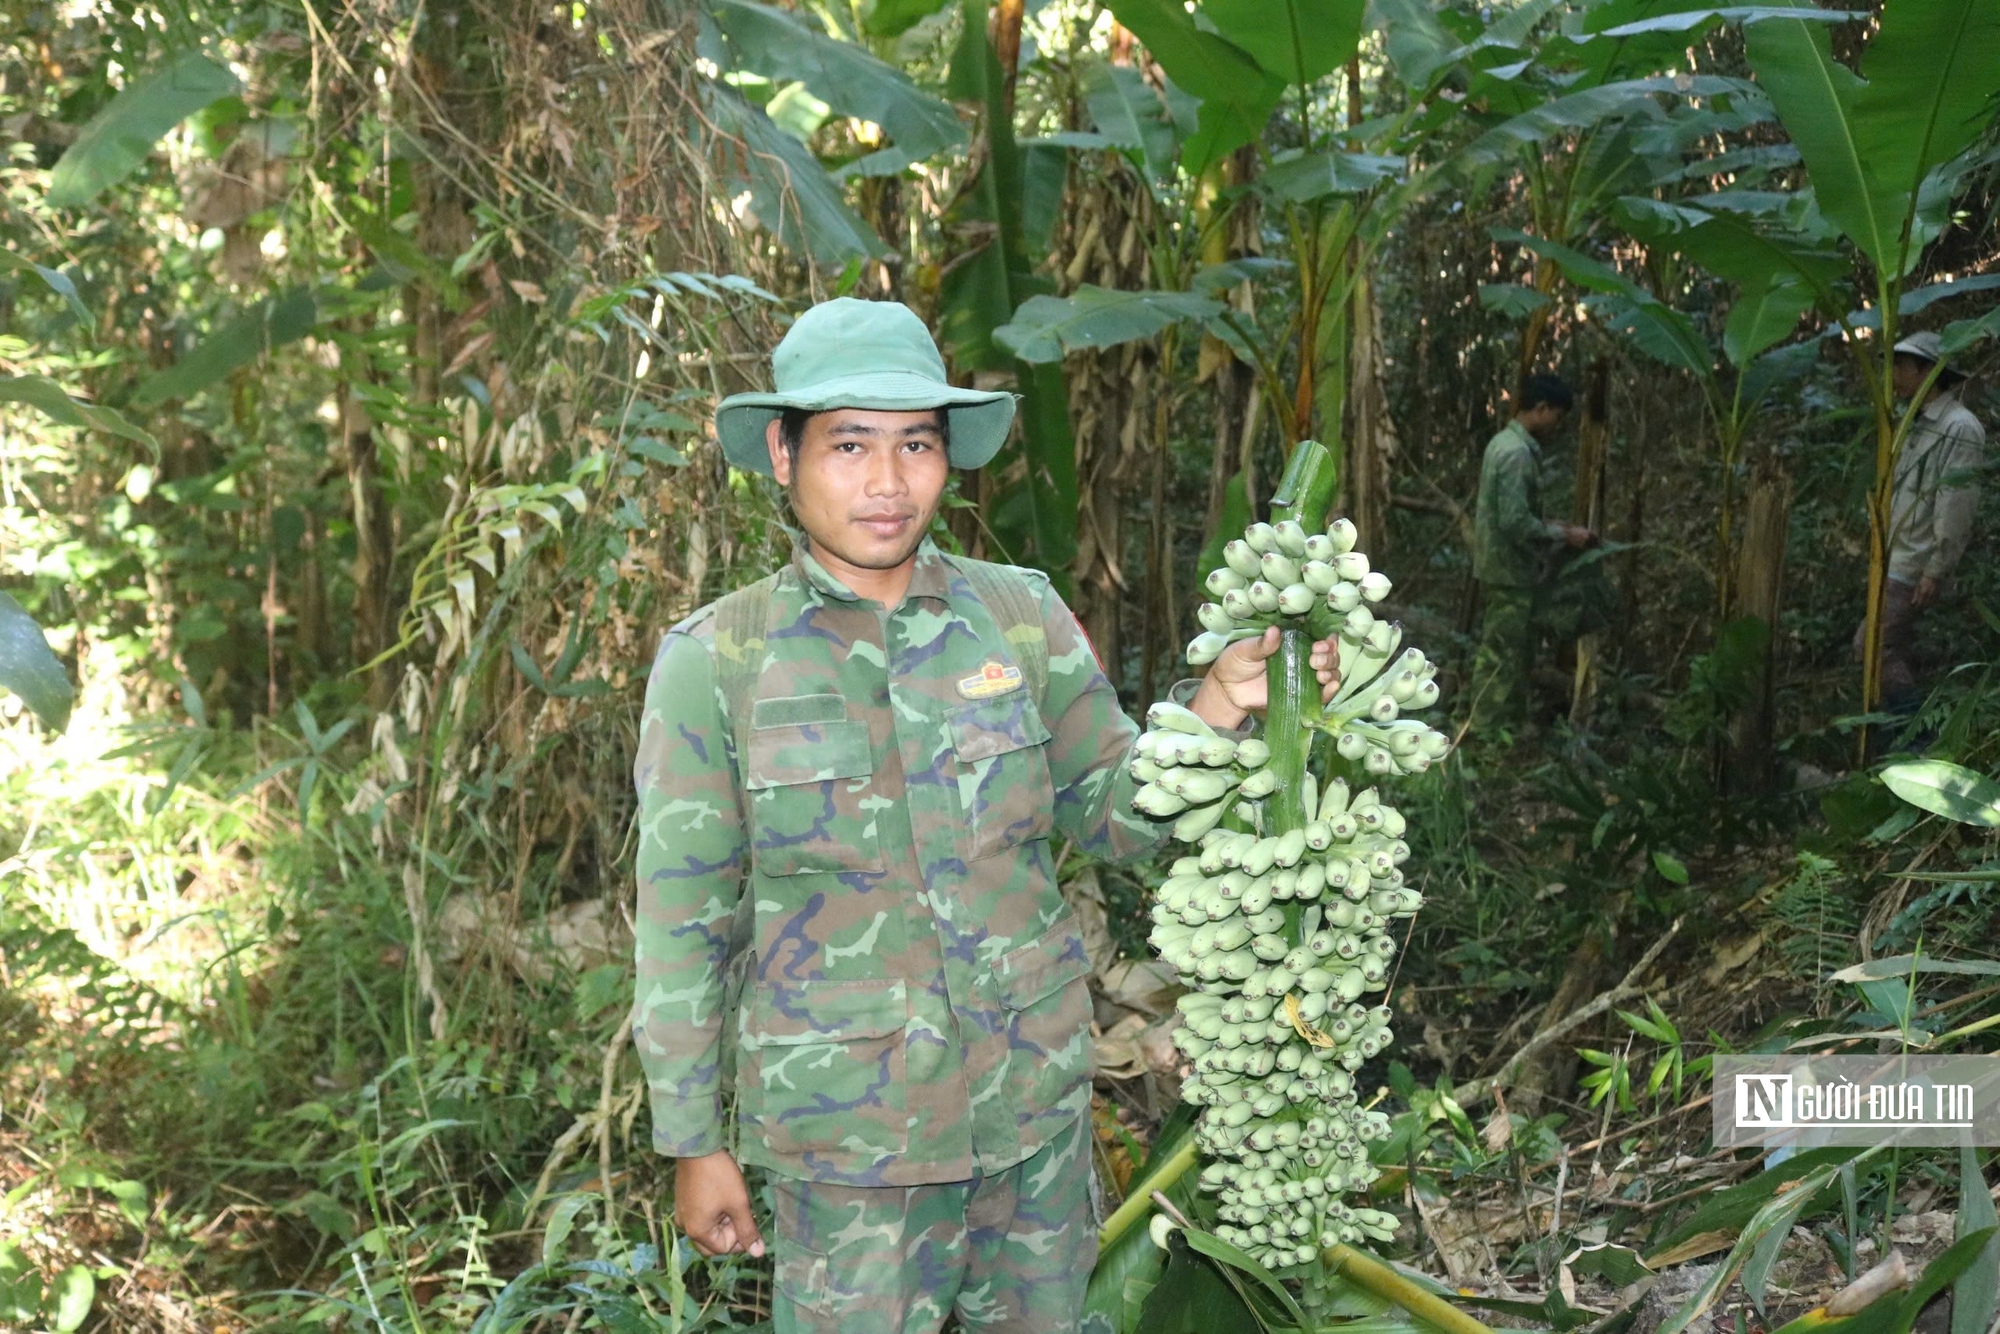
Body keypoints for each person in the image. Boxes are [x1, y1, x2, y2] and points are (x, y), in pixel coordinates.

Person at [631, 298, 1341, 1333]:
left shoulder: (1018, 614)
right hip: (852, 1149)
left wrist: (1221, 703)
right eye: (849, 444)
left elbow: (1115, 812)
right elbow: (681, 920)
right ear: (782, 455)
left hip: (1034, 1121)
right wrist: (693, 1139)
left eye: (915, 442)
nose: (886, 480)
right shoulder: (715, 659)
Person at [1854, 330, 1986, 717]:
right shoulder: (1912, 422)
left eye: (1902, 366)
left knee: (1871, 648)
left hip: (1915, 562)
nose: (1894, 374)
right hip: (1894, 557)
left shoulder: (1959, 427)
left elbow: (1955, 502)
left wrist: (1936, 569)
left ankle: (1916, 740)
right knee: (1891, 649)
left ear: (1928, 370)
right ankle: (1893, 744)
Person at [1468, 373, 1594, 731]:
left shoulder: (1504, 444)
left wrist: (1556, 528)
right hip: (1509, 571)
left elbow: (1511, 512)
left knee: (1513, 653)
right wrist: (1563, 536)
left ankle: (1503, 730)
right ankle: (1484, 734)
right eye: (1557, 416)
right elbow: (1514, 522)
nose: (1557, 425)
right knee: (1501, 656)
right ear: (1541, 409)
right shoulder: (1516, 453)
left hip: (1506, 568)